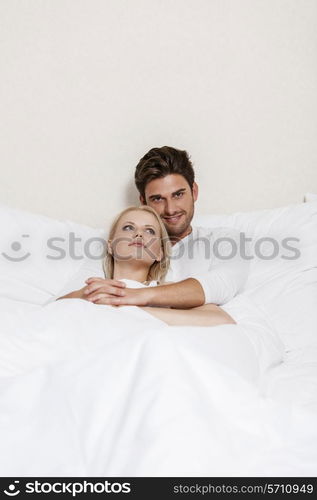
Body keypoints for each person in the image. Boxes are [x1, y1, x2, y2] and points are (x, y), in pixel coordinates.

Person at [82, 146, 249, 311]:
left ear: (194, 191)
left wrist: (138, 296)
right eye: (157, 199)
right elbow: (77, 293)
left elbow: (222, 283)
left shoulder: (224, 239)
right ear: (143, 202)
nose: (170, 209)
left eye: (178, 195)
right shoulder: (120, 244)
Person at [58, 205, 236, 327]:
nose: (139, 234)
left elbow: (222, 320)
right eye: (128, 228)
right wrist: (82, 296)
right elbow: (50, 316)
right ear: (111, 246)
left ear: (159, 253)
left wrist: (134, 310)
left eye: (149, 231)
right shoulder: (95, 291)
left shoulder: (165, 294)